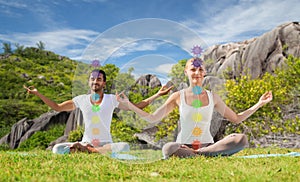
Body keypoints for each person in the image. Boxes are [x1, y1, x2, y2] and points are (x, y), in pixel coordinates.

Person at [116, 58, 273, 159]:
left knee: (241, 139)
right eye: (193, 69)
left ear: (204, 73)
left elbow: (236, 118)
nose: (197, 73)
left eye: (200, 70)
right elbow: (152, 118)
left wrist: (259, 104)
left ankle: (199, 154)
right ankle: (204, 155)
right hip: (183, 146)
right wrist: (129, 105)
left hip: (209, 146)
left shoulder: (213, 97)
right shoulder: (178, 96)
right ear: (186, 72)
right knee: (168, 148)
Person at [24, 69, 173, 154]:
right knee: (57, 149)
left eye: (99, 79)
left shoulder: (112, 99)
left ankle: (90, 151)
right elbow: (57, 107)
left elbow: (138, 106)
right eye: (92, 79)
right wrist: (38, 94)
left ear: (104, 83)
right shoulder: (81, 100)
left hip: (106, 143)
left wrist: (158, 94)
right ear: (89, 82)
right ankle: (88, 148)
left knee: (124, 147)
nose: (95, 82)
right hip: (86, 141)